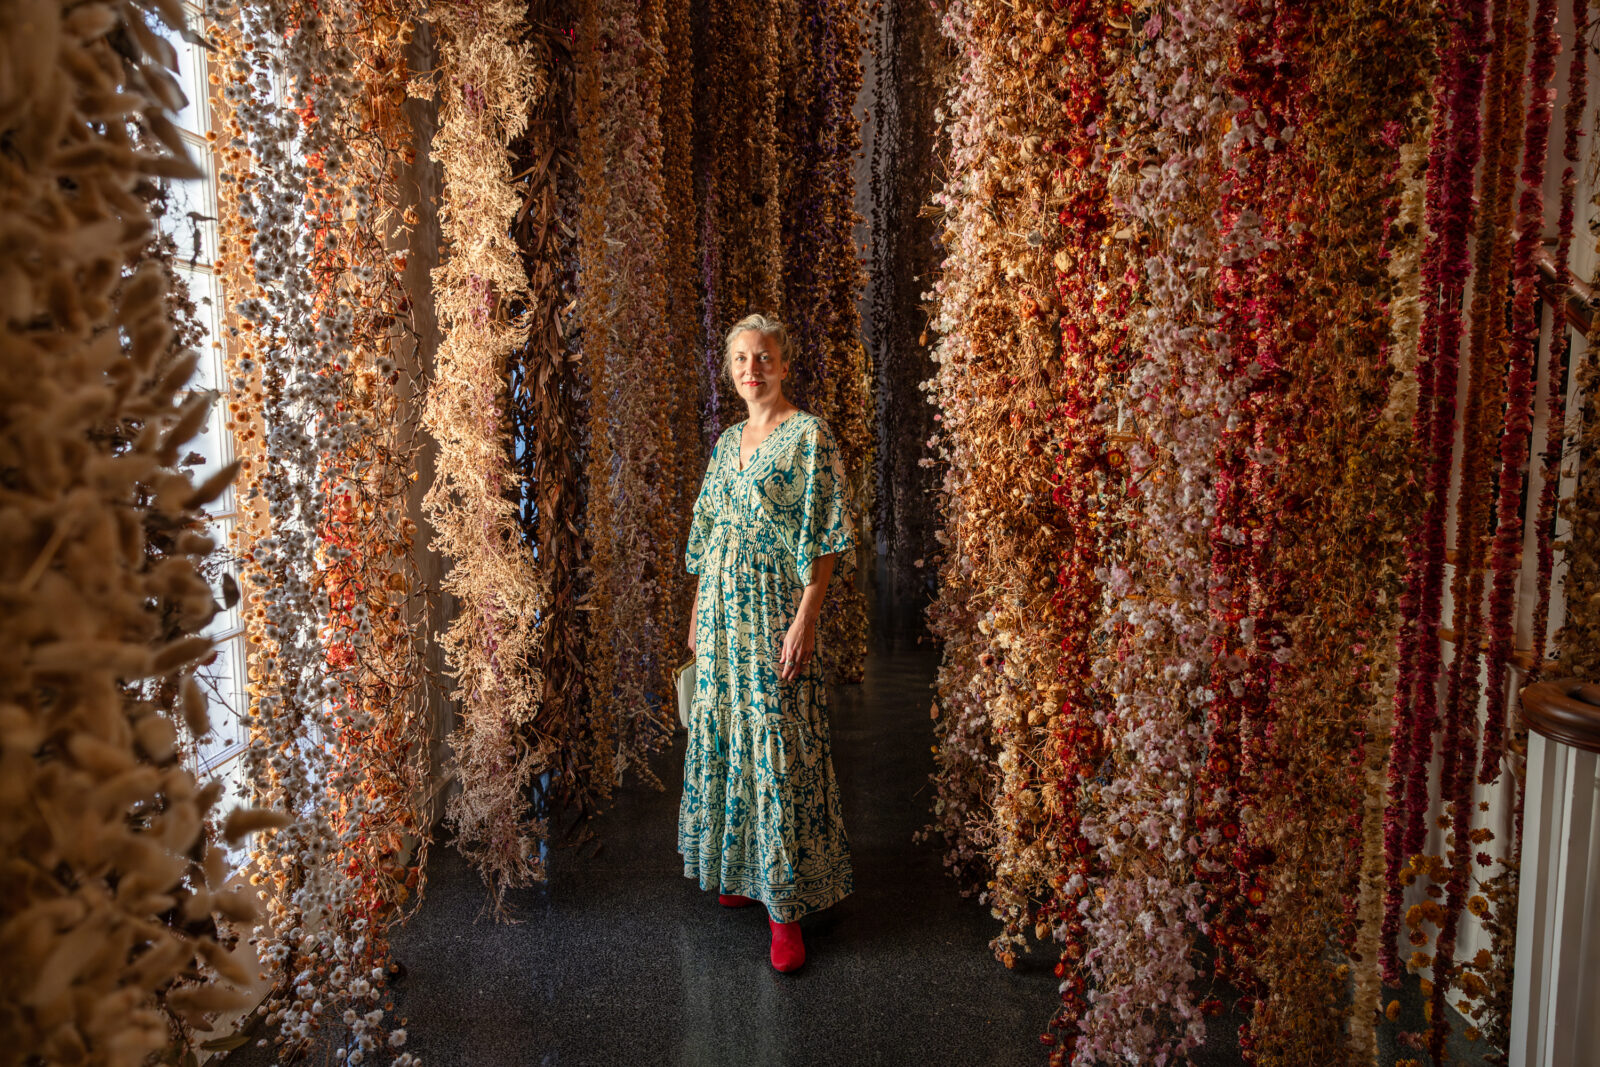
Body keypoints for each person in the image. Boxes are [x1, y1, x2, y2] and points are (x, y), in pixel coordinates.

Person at [679, 313, 858, 973]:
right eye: (740, 362)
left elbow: (827, 534)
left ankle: (785, 908)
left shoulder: (807, 436)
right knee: (728, 733)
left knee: (778, 738)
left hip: (774, 611)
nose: (752, 370)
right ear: (731, 373)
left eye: (763, 358)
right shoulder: (729, 442)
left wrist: (806, 616)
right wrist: (699, 605)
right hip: (724, 614)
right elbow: (709, 528)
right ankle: (739, 866)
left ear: (783, 364)